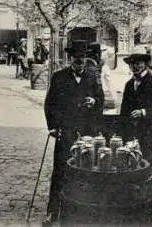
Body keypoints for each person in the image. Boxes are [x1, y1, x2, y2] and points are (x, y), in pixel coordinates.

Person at [43, 40, 105, 225]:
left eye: (83, 57)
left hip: (87, 132)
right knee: (60, 170)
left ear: (87, 58)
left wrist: (94, 102)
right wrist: (53, 127)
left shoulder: (92, 76)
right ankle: (53, 210)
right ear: (71, 58)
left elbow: (101, 100)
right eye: (77, 57)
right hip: (66, 130)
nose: (80, 60)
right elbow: (50, 104)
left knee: (86, 170)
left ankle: (83, 210)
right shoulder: (59, 77)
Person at [120, 46, 152, 223]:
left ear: (145, 63)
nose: (136, 66)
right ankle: (136, 213)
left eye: (139, 62)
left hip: (150, 138)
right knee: (133, 174)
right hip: (133, 140)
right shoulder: (129, 84)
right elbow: (123, 113)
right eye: (132, 63)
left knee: (150, 175)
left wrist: (144, 112)